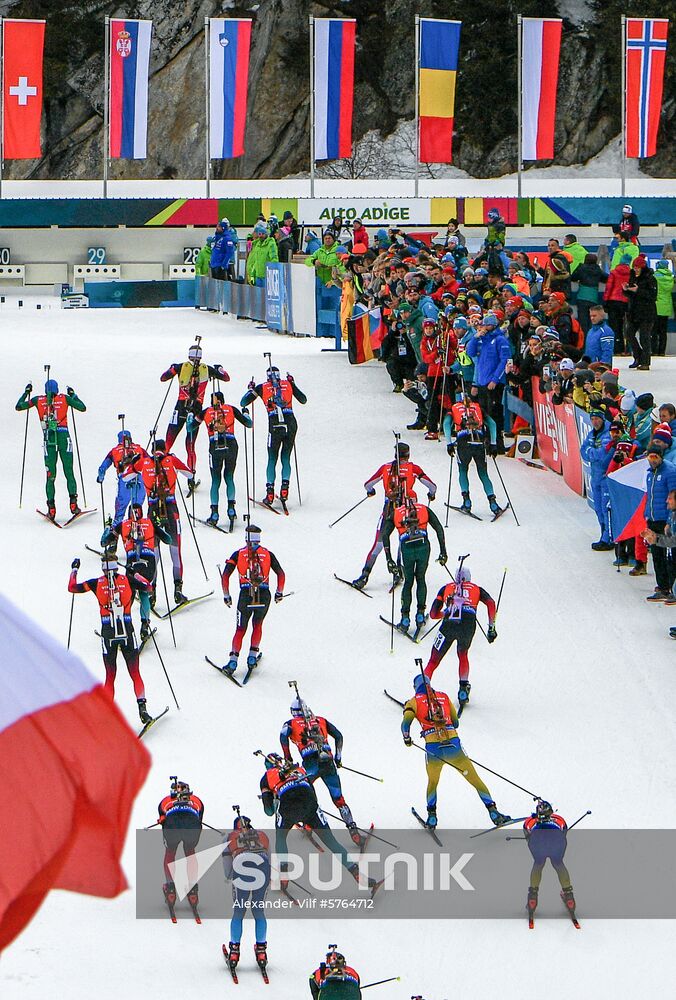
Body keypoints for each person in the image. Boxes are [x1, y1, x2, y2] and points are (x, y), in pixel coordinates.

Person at [401, 674, 510, 829]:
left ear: (415, 687)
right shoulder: (443, 697)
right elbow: (456, 722)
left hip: (434, 751)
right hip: (454, 748)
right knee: (475, 780)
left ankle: (432, 817)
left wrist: (407, 738)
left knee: (433, 782)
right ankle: (493, 812)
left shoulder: (414, 701)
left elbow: (405, 724)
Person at [259, 754, 373, 889]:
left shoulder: (266, 777)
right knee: (331, 842)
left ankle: (284, 876)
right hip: (309, 803)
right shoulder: (299, 769)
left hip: (287, 807)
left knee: (281, 837)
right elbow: (311, 791)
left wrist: (273, 798)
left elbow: (269, 811)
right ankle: (356, 873)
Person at [68, 554, 153, 724]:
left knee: (110, 676)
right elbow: (148, 587)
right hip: (127, 630)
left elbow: (72, 588)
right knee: (135, 673)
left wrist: (74, 569)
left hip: (108, 632)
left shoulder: (96, 583)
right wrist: (135, 574)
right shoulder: (127, 580)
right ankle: (143, 710)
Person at [352, 442, 436, 589]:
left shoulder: (385, 467)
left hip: (389, 509)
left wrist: (371, 492)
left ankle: (364, 575)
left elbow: (368, 484)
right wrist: (431, 494)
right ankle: (398, 571)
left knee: (378, 543)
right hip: (407, 510)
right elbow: (432, 486)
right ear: (408, 455)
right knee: (402, 540)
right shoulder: (413, 468)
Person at [280, 697, 362, 844]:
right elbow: (338, 735)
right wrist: (338, 757)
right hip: (328, 762)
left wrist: (288, 757)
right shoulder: (321, 720)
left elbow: (283, 736)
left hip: (310, 765)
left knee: (308, 795)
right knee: (339, 799)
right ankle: (352, 829)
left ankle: (308, 825)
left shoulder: (290, 723)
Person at [125, 438, 194, 605]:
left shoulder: (144, 461)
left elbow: (126, 477)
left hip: (152, 509)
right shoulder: (172, 459)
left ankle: (152, 592)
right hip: (171, 509)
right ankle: (178, 590)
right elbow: (190, 473)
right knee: (175, 552)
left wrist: (135, 463)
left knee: (152, 554)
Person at [423, 565, 497, 708]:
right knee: (463, 654)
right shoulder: (476, 588)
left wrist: (443, 614)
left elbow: (432, 614)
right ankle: (463, 688)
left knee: (433, 661)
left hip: (449, 622)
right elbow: (491, 603)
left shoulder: (446, 587)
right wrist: (491, 627)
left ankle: (423, 690)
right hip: (468, 623)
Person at [16, 378, 86, 521]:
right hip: (64, 436)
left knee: (50, 475)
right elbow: (82, 407)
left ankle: (51, 509)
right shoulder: (64, 398)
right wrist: (73, 394)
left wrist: (26, 392)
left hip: (49, 438)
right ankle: (74, 504)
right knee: (69, 471)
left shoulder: (38, 400)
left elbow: (18, 406)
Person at [220, 524, 285, 677]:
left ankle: (233, 662)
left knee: (240, 629)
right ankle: (251, 657)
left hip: (245, 594)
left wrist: (226, 595)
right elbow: (281, 574)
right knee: (257, 625)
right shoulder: (268, 554)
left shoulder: (238, 554)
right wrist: (279, 593)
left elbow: (225, 576)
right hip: (264, 594)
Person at [240, 365, 307, 507]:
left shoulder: (262, 387)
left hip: (275, 424)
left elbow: (243, 402)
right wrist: (292, 383)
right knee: (286, 457)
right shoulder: (287, 383)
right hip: (291, 423)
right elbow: (303, 399)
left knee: (272, 458)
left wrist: (251, 389)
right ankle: (284, 490)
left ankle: (270, 493)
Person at [102, 502, 170, 640]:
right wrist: (159, 527)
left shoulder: (122, 524)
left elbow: (104, 542)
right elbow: (168, 539)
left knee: (128, 596)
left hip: (132, 564)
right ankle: (144, 626)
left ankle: (122, 627)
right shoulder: (149, 522)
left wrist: (108, 528)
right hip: (148, 564)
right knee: (144, 594)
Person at [381, 494, 448, 634]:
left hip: (407, 548)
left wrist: (389, 559)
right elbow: (439, 528)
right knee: (421, 579)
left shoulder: (397, 512)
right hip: (423, 546)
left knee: (408, 582)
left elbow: (385, 534)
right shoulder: (424, 509)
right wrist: (443, 551)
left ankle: (405, 618)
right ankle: (420, 614)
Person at [160, 342, 229, 475]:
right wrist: (220, 369)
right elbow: (226, 378)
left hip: (180, 408)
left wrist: (172, 369)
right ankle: (191, 473)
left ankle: (162, 468)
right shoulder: (207, 369)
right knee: (190, 446)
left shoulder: (180, 367)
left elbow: (163, 378)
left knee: (168, 441)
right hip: (196, 409)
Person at [194, 391, 252, 528]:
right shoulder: (231, 409)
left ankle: (214, 514)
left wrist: (191, 415)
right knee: (229, 477)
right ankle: (231, 509)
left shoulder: (206, 411)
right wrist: (245, 413)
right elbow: (248, 423)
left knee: (215, 480)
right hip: (231, 444)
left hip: (214, 446)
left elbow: (191, 426)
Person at [222, 813, 270, 975]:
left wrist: (230, 876)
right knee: (258, 910)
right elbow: (270, 857)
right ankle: (261, 949)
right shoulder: (262, 835)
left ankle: (234, 950)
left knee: (239, 911)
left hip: (241, 866)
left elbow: (226, 865)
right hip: (262, 867)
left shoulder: (229, 837)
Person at [445, 394, 503, 517]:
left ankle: (466, 502)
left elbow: (446, 424)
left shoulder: (454, 408)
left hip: (463, 443)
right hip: (479, 442)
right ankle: (493, 503)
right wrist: (493, 444)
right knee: (483, 473)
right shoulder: (478, 408)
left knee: (463, 470)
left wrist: (449, 443)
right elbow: (492, 423)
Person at [466, 313, 511, 454]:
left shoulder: (500, 340)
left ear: (493, 325)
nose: (484, 327)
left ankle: (498, 443)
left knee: (494, 414)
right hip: (482, 382)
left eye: (486, 325)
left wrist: (495, 379)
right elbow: (469, 351)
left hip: (494, 384)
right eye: (483, 325)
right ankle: (486, 441)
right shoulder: (482, 339)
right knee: (483, 414)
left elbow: (505, 360)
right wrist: (475, 337)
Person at [158, 778, 204, 913]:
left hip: (172, 825)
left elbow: (162, 819)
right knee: (190, 851)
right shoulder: (197, 800)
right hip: (192, 825)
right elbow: (199, 819)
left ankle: (170, 887)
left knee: (170, 852)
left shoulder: (165, 800)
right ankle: (192, 889)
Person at [524, 800, 575, 921]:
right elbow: (564, 831)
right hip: (557, 842)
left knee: (538, 863)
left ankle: (532, 897)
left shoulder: (529, 822)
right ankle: (569, 897)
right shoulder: (559, 819)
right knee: (558, 863)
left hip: (537, 842)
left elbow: (527, 835)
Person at [643, 448, 676, 600]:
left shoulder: (669, 472)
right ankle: (663, 586)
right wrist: (646, 515)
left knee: (669, 555)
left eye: (655, 457)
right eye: (650, 457)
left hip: (664, 520)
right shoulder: (650, 473)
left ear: (661, 457)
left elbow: (673, 496)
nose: (653, 459)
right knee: (657, 554)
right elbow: (649, 496)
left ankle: (670, 587)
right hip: (653, 519)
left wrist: (670, 520)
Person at [580, 410, 614, 551]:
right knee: (598, 508)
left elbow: (602, 453)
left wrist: (591, 452)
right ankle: (603, 535)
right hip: (596, 477)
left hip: (605, 477)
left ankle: (608, 538)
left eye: (597, 419)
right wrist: (592, 453)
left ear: (603, 419)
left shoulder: (608, 433)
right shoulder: (593, 433)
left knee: (606, 509)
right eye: (592, 419)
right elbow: (583, 450)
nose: (595, 422)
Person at [97, 430, 146, 527]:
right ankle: (137, 528)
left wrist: (100, 478)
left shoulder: (114, 451)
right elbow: (149, 461)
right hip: (139, 480)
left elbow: (102, 468)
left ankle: (115, 533)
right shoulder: (139, 449)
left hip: (124, 481)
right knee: (137, 509)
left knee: (120, 510)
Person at [625, 255, 657, 371]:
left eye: (638, 267)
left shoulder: (650, 279)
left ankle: (645, 362)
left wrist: (638, 290)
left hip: (647, 313)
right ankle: (638, 356)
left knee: (645, 337)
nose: (635, 269)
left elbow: (652, 296)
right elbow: (632, 296)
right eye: (634, 267)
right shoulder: (633, 277)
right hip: (634, 312)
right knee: (629, 334)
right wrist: (626, 290)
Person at [574, 253, 607, 333]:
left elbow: (573, 277)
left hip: (582, 297)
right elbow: (606, 278)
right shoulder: (598, 270)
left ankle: (584, 343)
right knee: (592, 323)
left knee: (583, 323)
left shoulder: (582, 268)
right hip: (593, 298)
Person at [653, 260, 674, 357]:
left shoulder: (655, 276)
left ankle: (654, 350)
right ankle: (662, 351)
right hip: (666, 306)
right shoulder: (670, 277)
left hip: (656, 305)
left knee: (654, 330)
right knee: (663, 331)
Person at [246, 221, 278, 286]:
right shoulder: (257, 245)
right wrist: (252, 276)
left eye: (262, 234)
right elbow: (255, 262)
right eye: (259, 234)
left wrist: (273, 275)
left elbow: (274, 259)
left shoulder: (270, 244)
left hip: (266, 276)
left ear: (266, 234)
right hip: (258, 276)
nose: (261, 236)